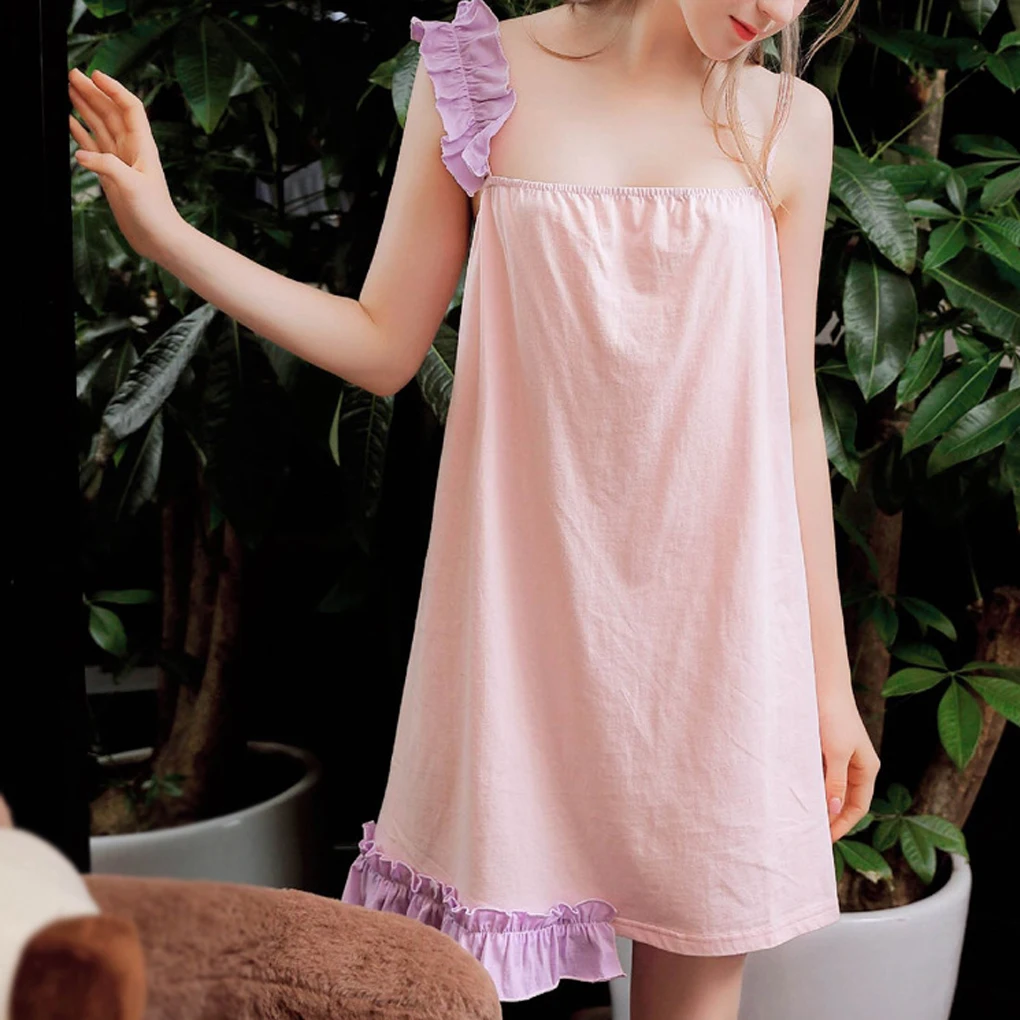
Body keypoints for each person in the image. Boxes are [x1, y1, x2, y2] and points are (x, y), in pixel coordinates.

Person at [68, 1, 881, 1017]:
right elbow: (382, 344)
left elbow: (790, 412)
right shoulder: (480, 73)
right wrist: (169, 235)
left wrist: (829, 686)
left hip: (719, 635)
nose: (774, 8)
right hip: (526, 621)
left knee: (700, 975)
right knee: (458, 982)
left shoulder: (789, 122)